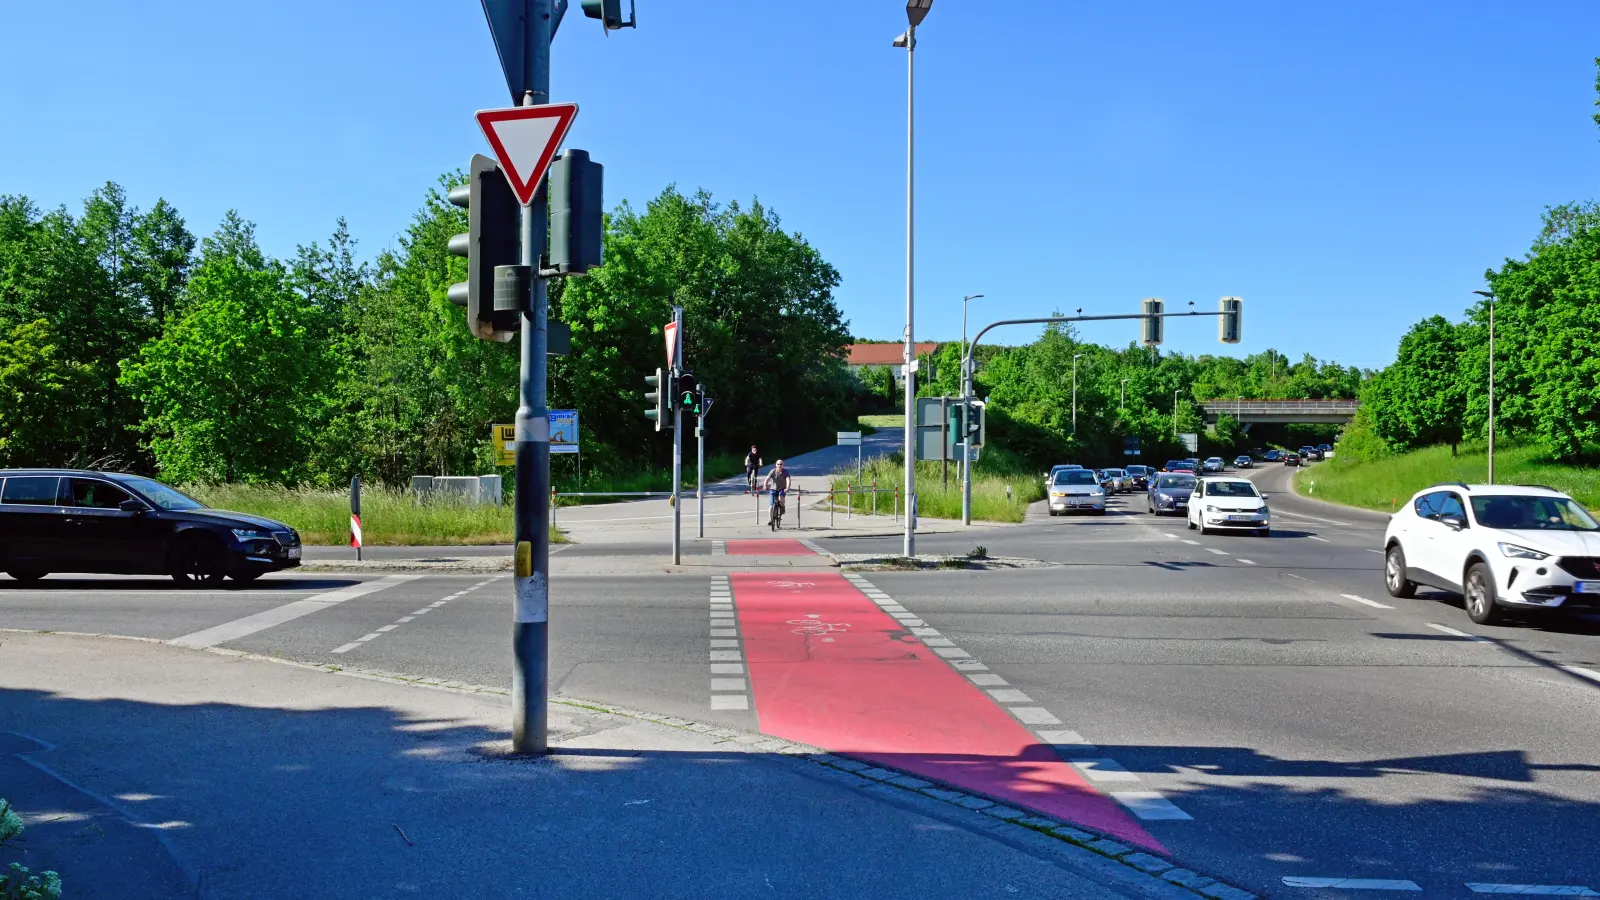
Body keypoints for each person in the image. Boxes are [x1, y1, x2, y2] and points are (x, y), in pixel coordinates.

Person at [762, 459, 792, 530]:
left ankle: (782, 506)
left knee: (781, 497)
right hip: (773, 489)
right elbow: (767, 478)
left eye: (781, 464)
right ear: (776, 465)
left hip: (782, 489)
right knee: (771, 506)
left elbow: (788, 480)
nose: (779, 465)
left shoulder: (785, 472)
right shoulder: (773, 471)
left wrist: (787, 488)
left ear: (783, 465)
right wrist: (765, 485)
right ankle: (771, 520)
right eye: (778, 464)